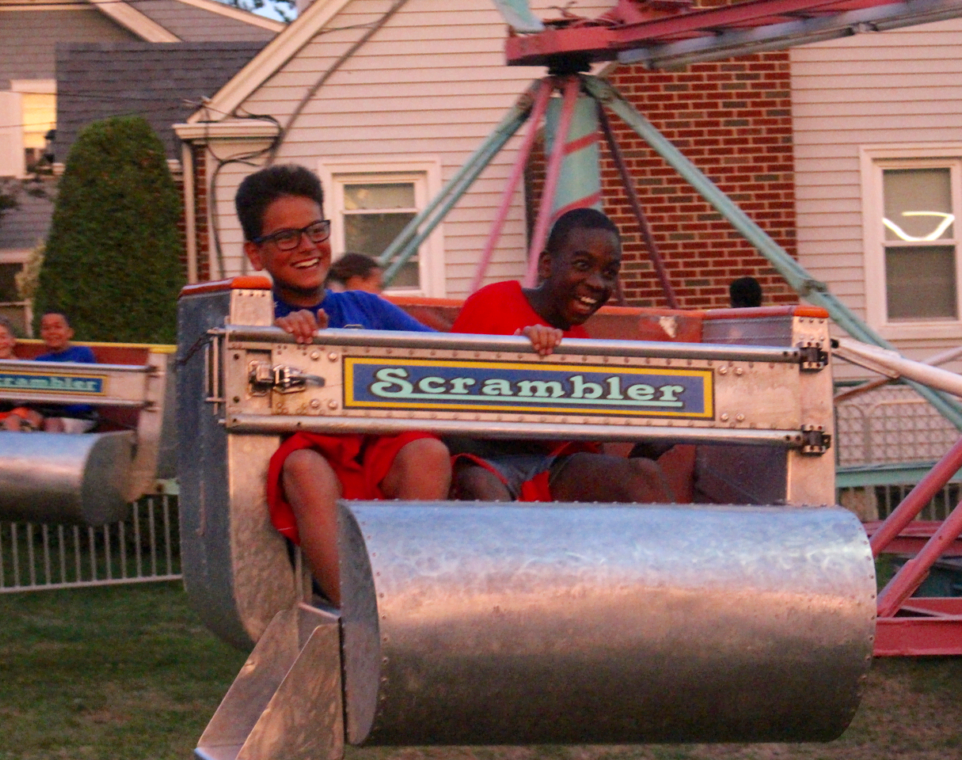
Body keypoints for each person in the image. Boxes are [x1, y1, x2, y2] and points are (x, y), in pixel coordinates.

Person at [235, 164, 452, 605]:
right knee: (305, 468)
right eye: (285, 237)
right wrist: (277, 334)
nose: (307, 247)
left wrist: (524, 336)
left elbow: (451, 354)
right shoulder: (251, 316)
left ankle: (407, 603)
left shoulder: (363, 306)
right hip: (311, 458)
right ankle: (361, 616)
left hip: (375, 450)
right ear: (256, 254)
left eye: (316, 230)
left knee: (427, 451)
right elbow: (239, 379)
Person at [450, 208, 672, 504]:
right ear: (546, 265)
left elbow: (587, 454)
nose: (597, 283)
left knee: (643, 474)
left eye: (609, 273)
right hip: (480, 460)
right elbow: (448, 400)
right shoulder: (494, 301)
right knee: (480, 484)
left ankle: (690, 551)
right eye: (582, 265)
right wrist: (519, 350)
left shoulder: (583, 346)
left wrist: (646, 450)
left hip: (549, 467)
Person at [34, 312, 99, 433]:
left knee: (52, 423)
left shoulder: (83, 353)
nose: (52, 332)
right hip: (49, 412)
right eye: (46, 328)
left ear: (69, 332)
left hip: (80, 415)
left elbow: (91, 389)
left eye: (58, 327)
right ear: (41, 333)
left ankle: (50, 451)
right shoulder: (40, 361)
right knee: (28, 419)